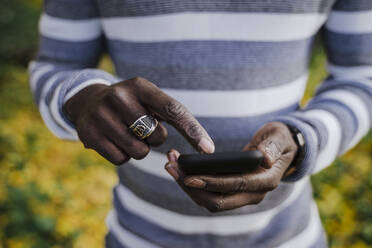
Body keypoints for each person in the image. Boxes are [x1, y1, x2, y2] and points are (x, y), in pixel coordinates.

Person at [29, 0, 371, 247]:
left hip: (289, 237)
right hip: (137, 237)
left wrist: (301, 139)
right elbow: (56, 64)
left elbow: (362, 77)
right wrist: (81, 96)